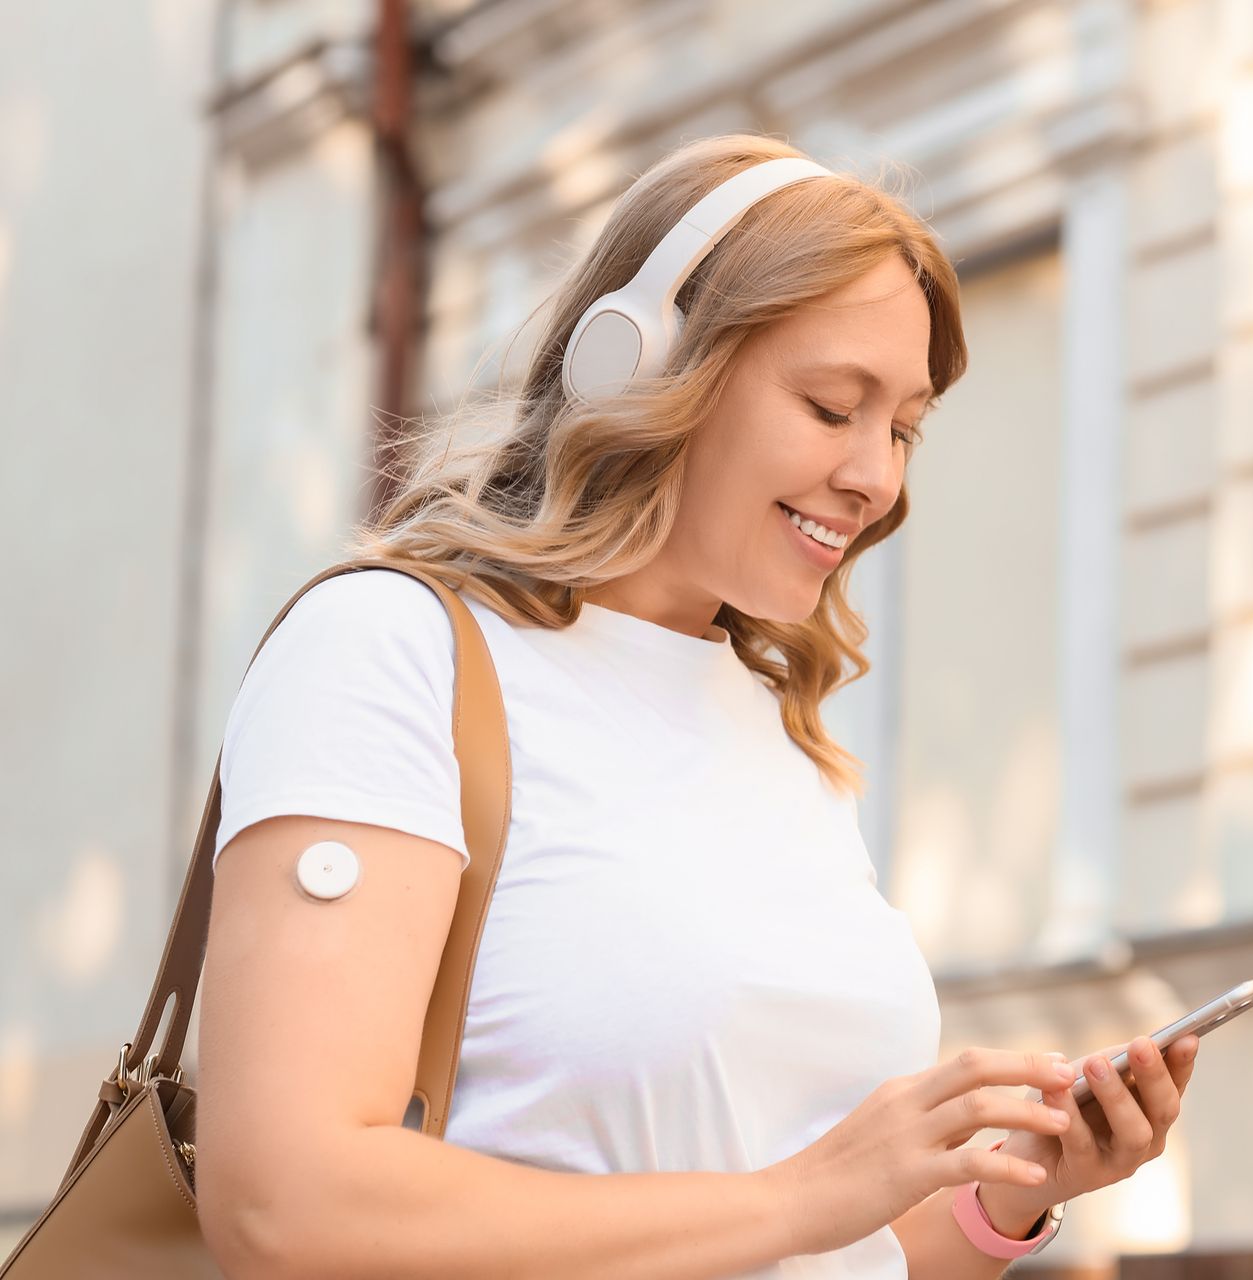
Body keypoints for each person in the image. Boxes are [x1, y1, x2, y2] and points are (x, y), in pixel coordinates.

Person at [194, 132, 1201, 1279]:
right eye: (833, 407)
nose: (877, 477)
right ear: (639, 365)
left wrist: (1008, 1195)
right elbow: (289, 1204)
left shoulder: (782, 728)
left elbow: (824, 1249)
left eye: (904, 427)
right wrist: (799, 1196)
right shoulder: (394, 649)